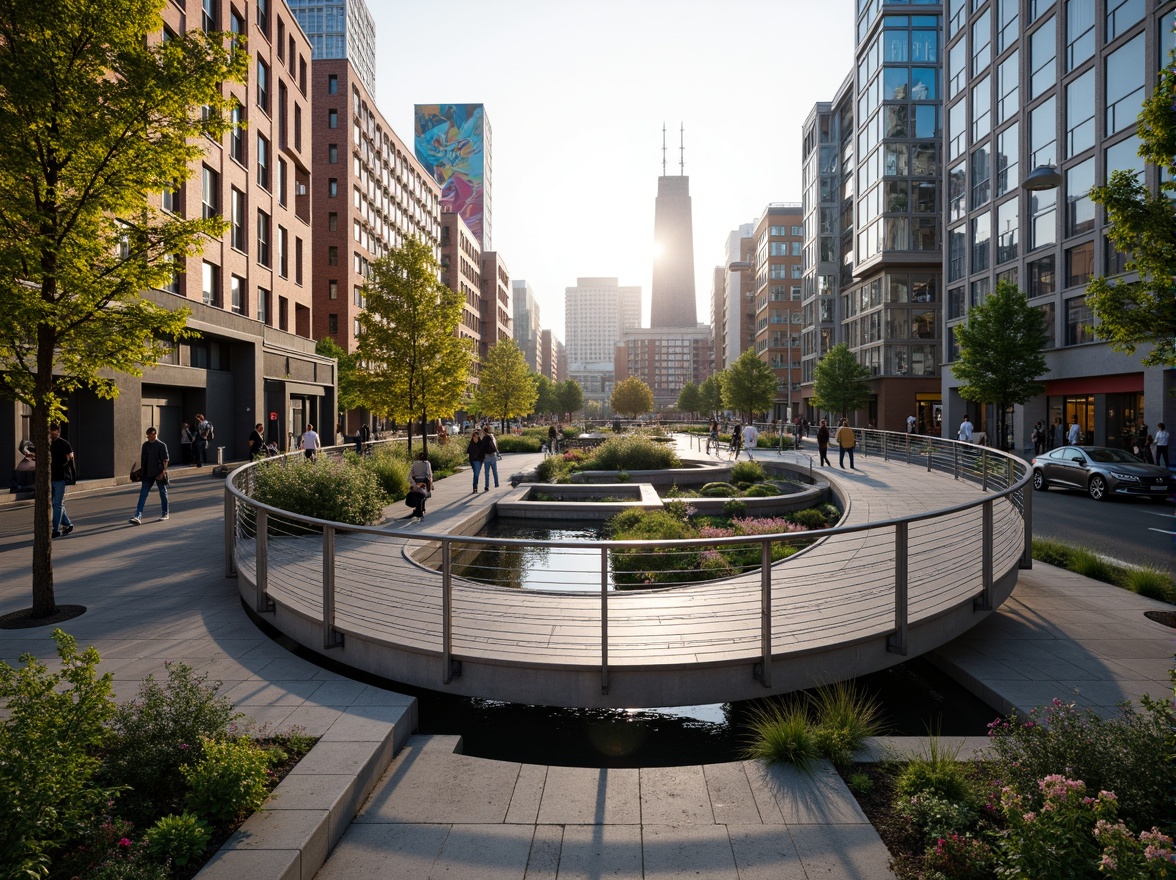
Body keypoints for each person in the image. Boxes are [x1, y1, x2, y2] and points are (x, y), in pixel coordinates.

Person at [130, 426, 169, 524]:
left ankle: (165, 513)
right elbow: (143, 460)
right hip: (147, 474)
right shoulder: (145, 445)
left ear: (154, 434)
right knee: (143, 494)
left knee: (162, 492)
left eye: (149, 436)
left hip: (158, 473)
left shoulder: (161, 445)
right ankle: (138, 515)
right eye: (147, 436)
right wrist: (141, 473)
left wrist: (163, 472)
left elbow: (165, 460)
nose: (148, 438)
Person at [49, 423, 75, 538]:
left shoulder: (64, 444)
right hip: (49, 478)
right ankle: (68, 524)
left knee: (57, 503)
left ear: (58, 432)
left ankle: (55, 529)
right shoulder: (46, 443)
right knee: (55, 504)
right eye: (51, 432)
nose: (53, 434)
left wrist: (72, 476)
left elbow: (71, 459)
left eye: (55, 432)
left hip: (60, 478)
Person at [406, 451, 433, 518]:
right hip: (424, 482)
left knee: (419, 495)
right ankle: (420, 510)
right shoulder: (427, 463)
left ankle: (419, 510)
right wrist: (431, 484)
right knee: (423, 495)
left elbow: (409, 476)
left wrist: (414, 484)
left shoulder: (415, 464)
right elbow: (430, 475)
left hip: (416, 482)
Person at [466, 428, 485, 493]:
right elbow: (468, 451)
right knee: (476, 473)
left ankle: (475, 487)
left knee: (476, 474)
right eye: (474, 437)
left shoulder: (480, 444)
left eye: (477, 437)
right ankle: (475, 487)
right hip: (473, 460)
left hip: (479, 460)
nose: (476, 439)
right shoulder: (471, 444)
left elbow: (483, 452)